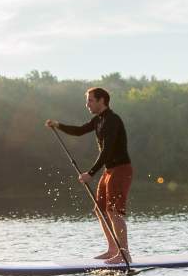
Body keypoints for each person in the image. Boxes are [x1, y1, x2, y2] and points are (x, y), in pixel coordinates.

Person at [45, 87, 133, 264]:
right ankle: (113, 250)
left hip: (121, 169)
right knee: (100, 209)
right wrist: (58, 125)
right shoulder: (98, 120)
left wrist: (91, 173)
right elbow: (79, 131)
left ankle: (125, 254)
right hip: (109, 171)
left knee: (114, 211)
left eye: (90, 100)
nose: (87, 104)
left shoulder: (112, 120)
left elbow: (107, 151)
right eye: (87, 101)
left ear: (102, 101)